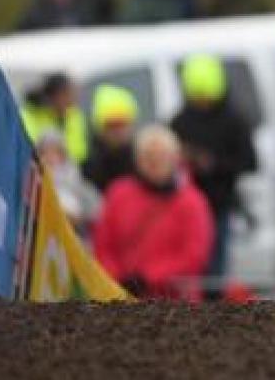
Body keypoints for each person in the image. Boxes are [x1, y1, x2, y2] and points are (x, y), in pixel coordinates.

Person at [93, 126, 214, 299]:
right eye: (148, 156)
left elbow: (194, 256)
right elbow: (103, 244)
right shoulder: (118, 193)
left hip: (175, 303)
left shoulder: (193, 202)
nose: (154, 162)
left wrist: (147, 278)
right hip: (121, 298)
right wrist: (116, 278)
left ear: (175, 159)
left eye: (161, 156)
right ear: (137, 160)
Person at [170, 54, 257, 276]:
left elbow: (250, 162)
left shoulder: (234, 121)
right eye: (197, 97)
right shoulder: (179, 122)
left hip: (219, 205)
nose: (202, 103)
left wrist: (213, 164)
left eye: (205, 97)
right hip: (182, 208)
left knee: (215, 268)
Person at [36, 130, 101, 238]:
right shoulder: (33, 184)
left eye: (54, 152)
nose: (49, 157)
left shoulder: (78, 183)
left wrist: (79, 218)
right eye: (44, 152)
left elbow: (98, 212)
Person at [20, 73, 90, 165]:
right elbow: (32, 151)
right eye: (66, 94)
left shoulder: (75, 115)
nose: (72, 100)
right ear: (53, 95)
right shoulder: (29, 115)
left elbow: (81, 152)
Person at [83, 84, 139, 192]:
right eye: (111, 126)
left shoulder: (141, 161)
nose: (118, 132)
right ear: (100, 129)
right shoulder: (92, 166)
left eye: (122, 124)